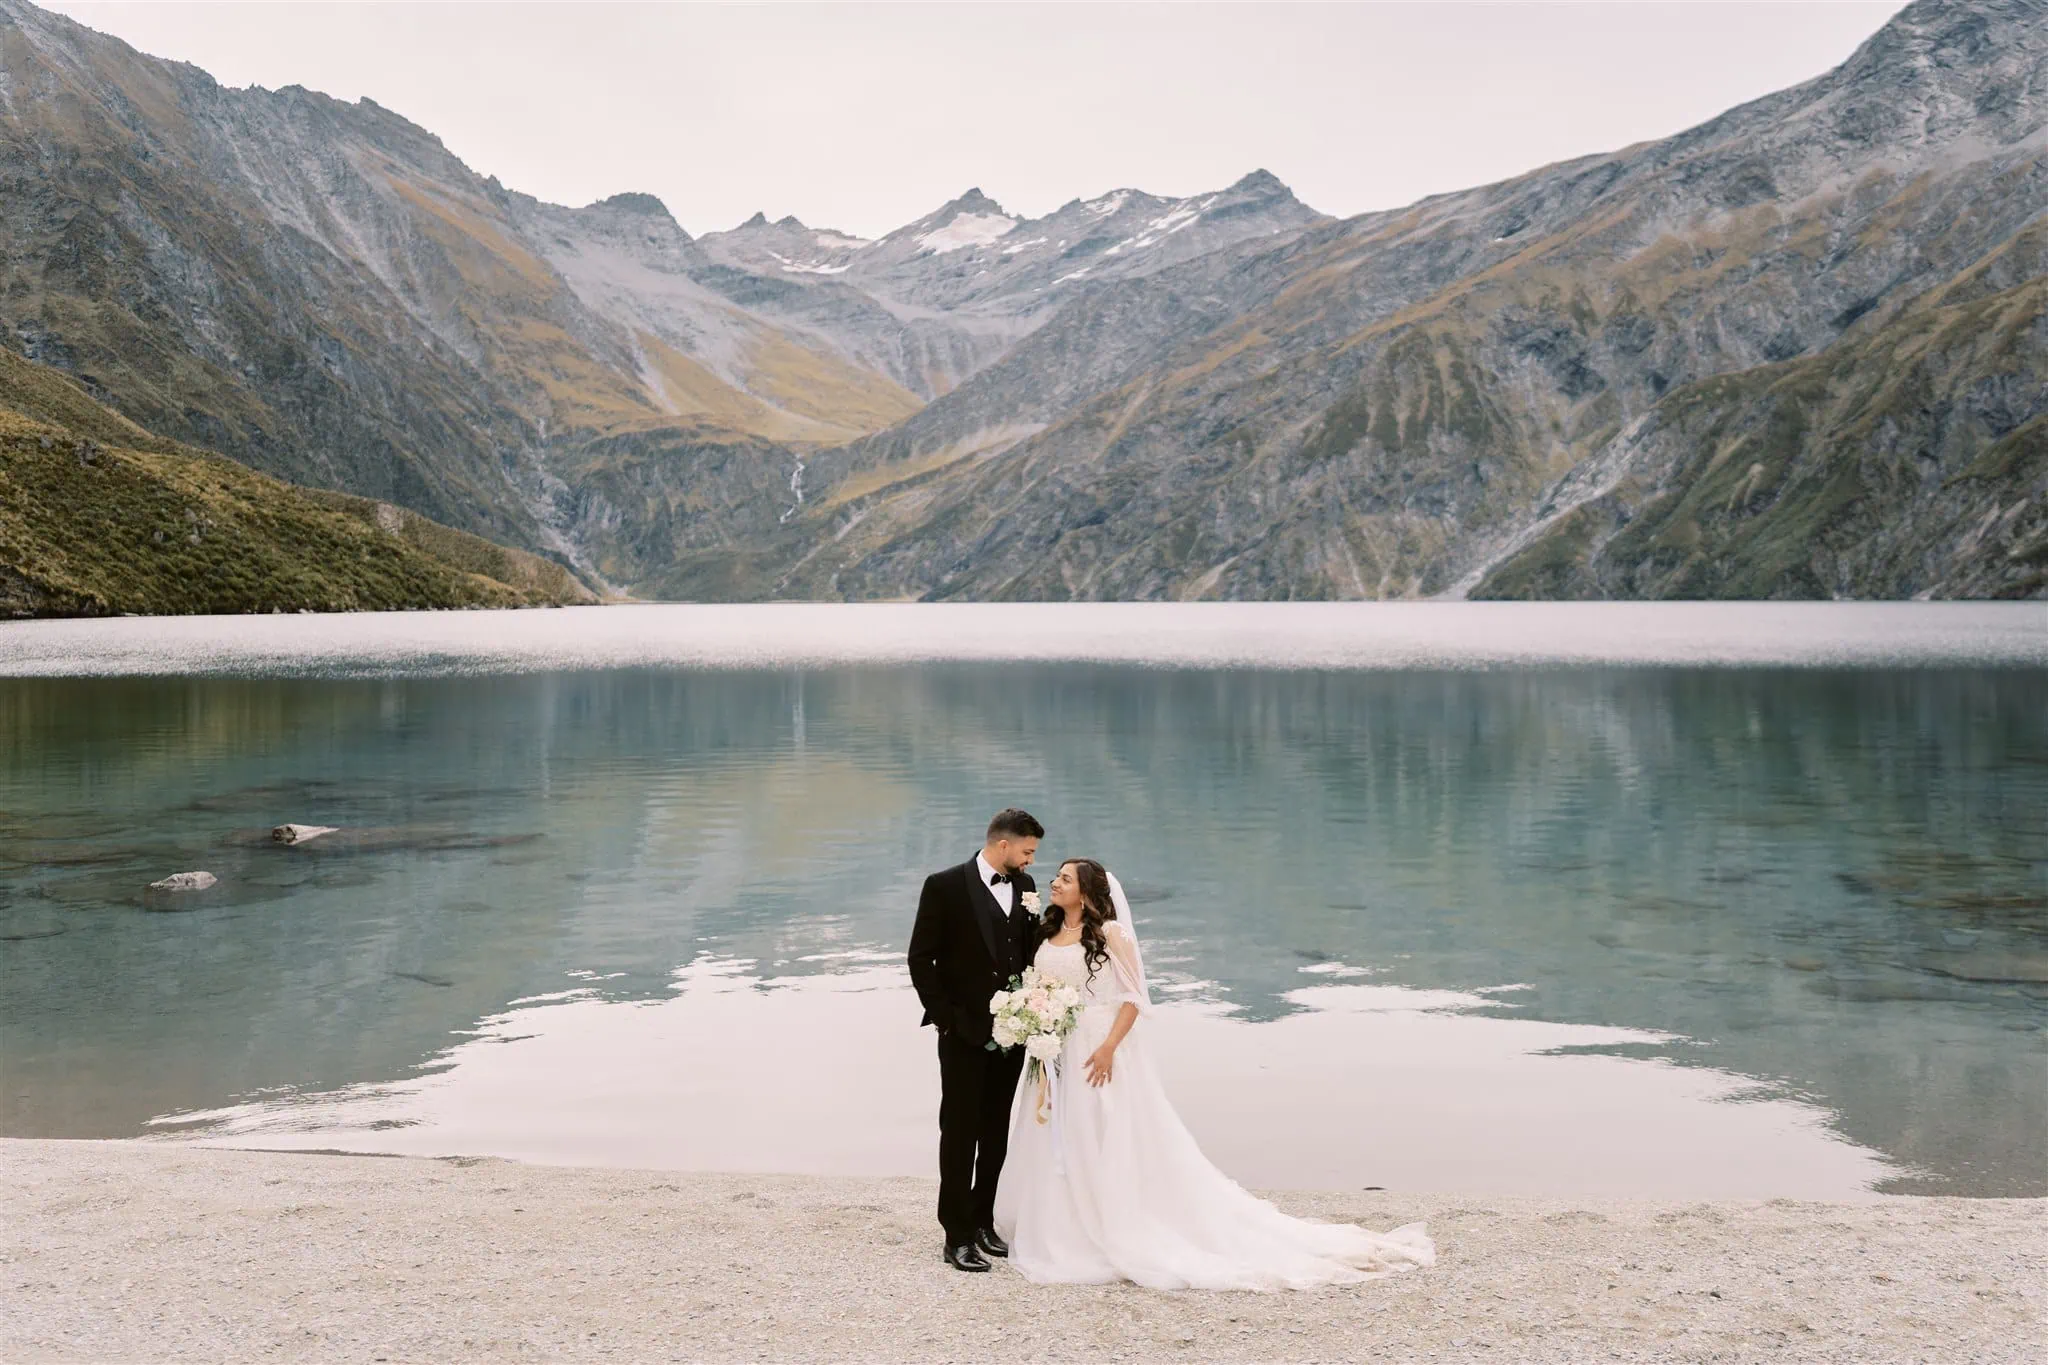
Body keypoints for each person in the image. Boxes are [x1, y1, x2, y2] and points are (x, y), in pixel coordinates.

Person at [992, 857, 1435, 1289]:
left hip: (1097, 1049)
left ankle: (1108, 1222)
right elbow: (1044, 986)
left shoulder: (1111, 933)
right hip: (1054, 1049)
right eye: (1057, 877)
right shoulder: (1048, 930)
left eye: (1065, 879)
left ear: (1086, 893)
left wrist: (1108, 1047)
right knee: (1058, 1133)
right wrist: (1037, 1023)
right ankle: (1061, 1224)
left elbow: (1133, 998)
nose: (1055, 883)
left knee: (1098, 1132)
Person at [906, 808, 1044, 1272]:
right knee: (960, 1133)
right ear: (1003, 845)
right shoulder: (943, 886)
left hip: (1015, 1035)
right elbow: (920, 959)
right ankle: (957, 1233)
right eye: (1026, 852)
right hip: (963, 1035)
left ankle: (984, 1221)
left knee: (995, 1132)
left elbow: (1027, 954)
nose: (1029, 862)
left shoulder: (1025, 889)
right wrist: (949, 1020)